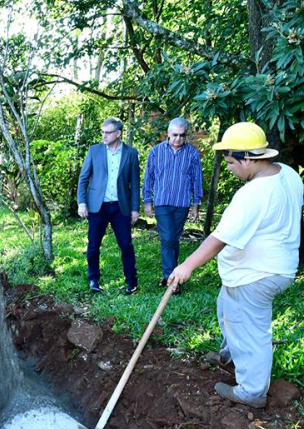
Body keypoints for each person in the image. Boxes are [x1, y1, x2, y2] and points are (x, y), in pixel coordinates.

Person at [168, 122, 303, 409]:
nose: (229, 168)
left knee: (251, 331)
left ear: (249, 158)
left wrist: (187, 266)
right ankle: (229, 353)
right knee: (225, 306)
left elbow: (219, 238)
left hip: (255, 276)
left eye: (231, 162)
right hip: (274, 267)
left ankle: (252, 392)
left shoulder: (252, 194)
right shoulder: (289, 175)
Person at [77, 117, 141, 294]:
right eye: (102, 132)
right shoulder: (94, 151)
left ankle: (131, 282)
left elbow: (134, 184)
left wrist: (135, 208)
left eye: (108, 132)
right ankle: (93, 279)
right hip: (97, 207)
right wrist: (82, 203)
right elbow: (83, 178)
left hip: (121, 207)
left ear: (118, 133)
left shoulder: (131, 153)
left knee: (126, 245)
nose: (104, 135)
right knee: (93, 245)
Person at [142, 117, 204, 295]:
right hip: (162, 203)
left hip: (182, 203)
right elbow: (149, 178)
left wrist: (195, 206)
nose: (178, 138)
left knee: (174, 239)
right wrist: (147, 201)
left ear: (186, 135)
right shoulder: (156, 152)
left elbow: (196, 180)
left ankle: (170, 274)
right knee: (168, 238)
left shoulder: (192, 154)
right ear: (168, 134)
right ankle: (171, 278)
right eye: (174, 134)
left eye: (182, 135)